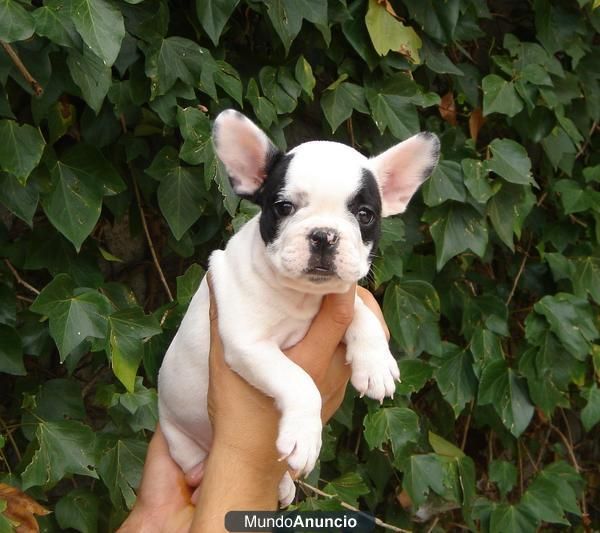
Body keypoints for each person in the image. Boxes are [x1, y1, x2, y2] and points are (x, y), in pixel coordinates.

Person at [118, 282, 389, 533]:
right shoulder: (243, 272)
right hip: (193, 438)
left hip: (185, 456)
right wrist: (253, 469)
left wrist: (153, 517)